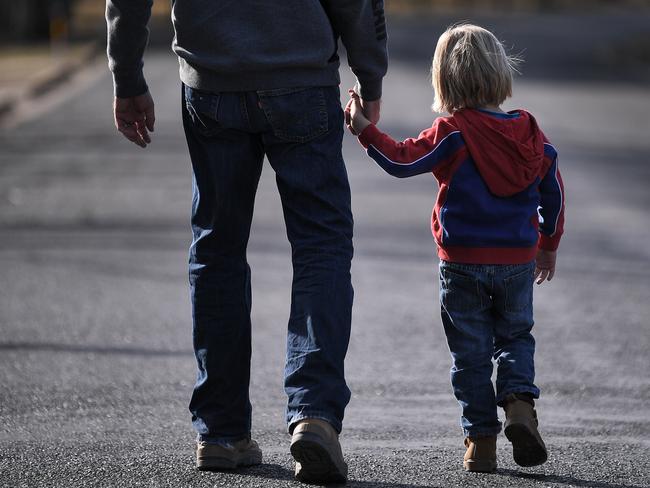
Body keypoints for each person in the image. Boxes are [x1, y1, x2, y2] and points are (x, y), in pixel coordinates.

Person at [105, 0, 387, 483]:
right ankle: (314, 415)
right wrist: (370, 72)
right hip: (301, 75)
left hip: (211, 79)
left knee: (217, 248)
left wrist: (127, 75)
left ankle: (221, 431)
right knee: (321, 245)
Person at [345, 23, 564, 473]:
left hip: (462, 263)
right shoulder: (532, 136)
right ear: (500, 72)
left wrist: (364, 129)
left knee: (470, 354)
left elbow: (402, 160)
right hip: (517, 262)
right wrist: (548, 244)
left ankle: (479, 442)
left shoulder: (453, 132)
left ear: (444, 79)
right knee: (515, 338)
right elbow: (554, 195)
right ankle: (520, 405)